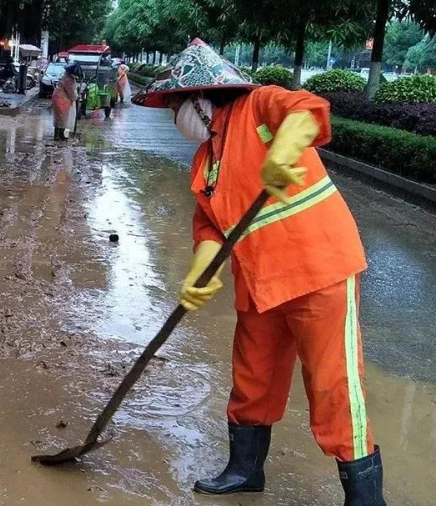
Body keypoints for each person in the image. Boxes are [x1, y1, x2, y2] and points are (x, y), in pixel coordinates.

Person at [136, 39, 384, 506]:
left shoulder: (258, 105)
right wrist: (201, 270)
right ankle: (245, 469)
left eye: (174, 106)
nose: (174, 118)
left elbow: (308, 107)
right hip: (260, 283)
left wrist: (286, 146)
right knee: (252, 377)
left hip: (317, 269)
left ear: (199, 99)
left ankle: (365, 496)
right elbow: (210, 225)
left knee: (332, 382)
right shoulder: (204, 160)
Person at [51, 62, 81, 141]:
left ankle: (60, 134)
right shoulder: (69, 80)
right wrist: (77, 97)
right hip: (61, 99)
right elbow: (71, 91)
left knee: (61, 117)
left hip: (60, 98)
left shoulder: (66, 77)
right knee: (61, 117)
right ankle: (57, 135)